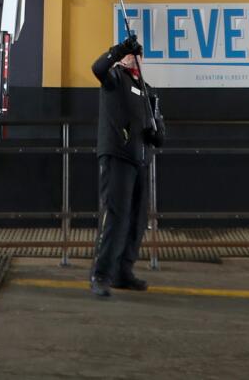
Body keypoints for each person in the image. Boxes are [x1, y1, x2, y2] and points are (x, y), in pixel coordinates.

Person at [90, 33, 164, 298]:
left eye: (138, 54)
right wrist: (119, 48)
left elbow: (158, 126)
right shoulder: (114, 79)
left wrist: (158, 135)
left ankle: (123, 271)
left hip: (141, 161)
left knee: (136, 220)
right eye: (131, 54)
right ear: (123, 59)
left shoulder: (147, 90)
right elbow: (97, 67)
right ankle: (101, 274)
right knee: (117, 217)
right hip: (117, 156)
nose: (136, 57)